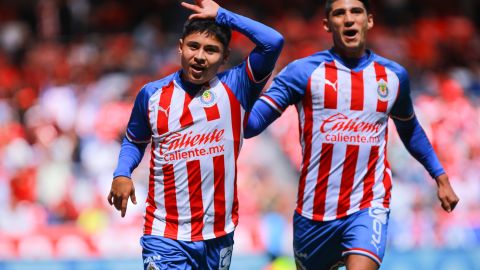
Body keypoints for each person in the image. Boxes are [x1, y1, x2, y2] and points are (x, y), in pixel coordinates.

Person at [244, 0, 459, 269]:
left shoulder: (393, 76)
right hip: (313, 213)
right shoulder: (303, 72)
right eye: (339, 13)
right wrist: (229, 95)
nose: (348, 19)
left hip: (367, 205)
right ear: (326, 24)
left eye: (356, 12)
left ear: (369, 21)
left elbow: (410, 128)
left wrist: (440, 176)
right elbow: (251, 125)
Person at [107, 0, 283, 269]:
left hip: (218, 234)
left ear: (225, 57)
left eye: (211, 50)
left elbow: (273, 41)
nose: (200, 56)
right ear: (180, 47)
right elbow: (134, 140)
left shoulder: (237, 86)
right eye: (193, 46)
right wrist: (122, 172)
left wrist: (223, 15)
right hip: (165, 234)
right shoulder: (152, 95)